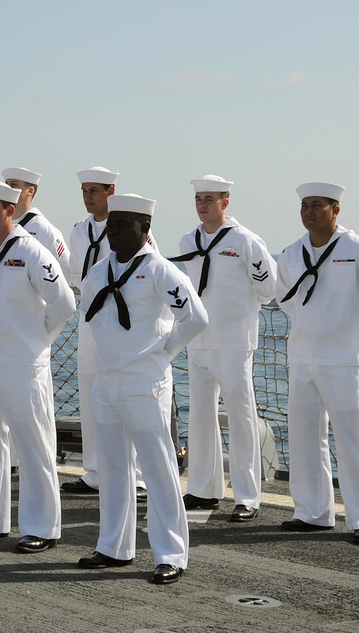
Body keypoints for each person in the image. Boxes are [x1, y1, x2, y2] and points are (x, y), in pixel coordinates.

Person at [77, 193, 207, 584]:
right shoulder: (99, 272)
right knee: (114, 468)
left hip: (145, 383)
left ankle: (171, 554)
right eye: (110, 225)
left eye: (121, 225)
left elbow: (196, 317)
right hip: (108, 381)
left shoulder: (160, 270)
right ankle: (114, 546)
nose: (111, 231)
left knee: (159, 468)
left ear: (145, 229)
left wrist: (162, 351)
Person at [0, 181, 75, 553]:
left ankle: (42, 526)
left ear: (9, 211)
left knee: (34, 444)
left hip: (23, 362)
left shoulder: (32, 252)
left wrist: (37, 341)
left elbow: (64, 303)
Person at [276, 182, 359, 545]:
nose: (309, 211)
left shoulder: (357, 248)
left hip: (342, 359)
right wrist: (309, 326)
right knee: (304, 437)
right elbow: (285, 298)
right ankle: (312, 512)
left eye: (317, 205)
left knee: (351, 438)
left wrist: (352, 327)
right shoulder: (291, 252)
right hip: (302, 357)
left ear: (336, 209)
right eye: (304, 205)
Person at [175, 175, 277, 522]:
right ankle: (203, 490)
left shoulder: (245, 240)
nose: (202, 204)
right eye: (198, 198)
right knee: (201, 417)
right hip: (199, 341)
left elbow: (268, 289)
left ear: (225, 202)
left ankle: (247, 497)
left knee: (241, 418)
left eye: (209, 198)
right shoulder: (188, 239)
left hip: (234, 343)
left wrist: (241, 314)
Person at [63, 166, 148, 501]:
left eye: (94, 190)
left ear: (111, 191)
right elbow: (75, 275)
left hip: (120, 320)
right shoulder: (79, 231)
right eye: (84, 190)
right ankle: (95, 472)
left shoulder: (130, 227)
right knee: (90, 394)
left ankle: (136, 476)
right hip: (90, 320)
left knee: (126, 395)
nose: (88, 197)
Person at [1, 167, 71, 278]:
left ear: (30, 191)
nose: (9, 189)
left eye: (14, 184)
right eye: (7, 185)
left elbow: (65, 271)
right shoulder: (0, 226)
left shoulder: (43, 229)